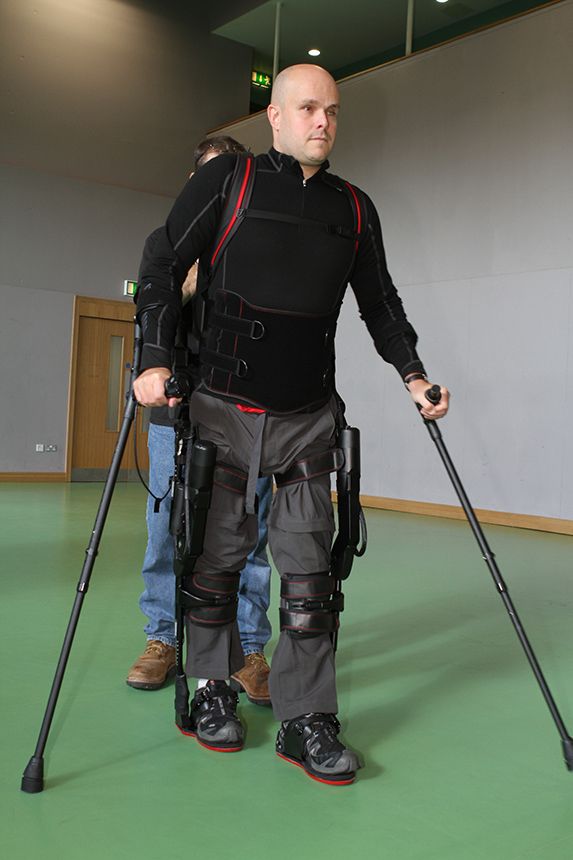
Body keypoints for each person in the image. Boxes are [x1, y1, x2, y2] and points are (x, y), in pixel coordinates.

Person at [133, 65, 450, 784]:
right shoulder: (229, 181)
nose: (322, 122)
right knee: (214, 562)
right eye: (307, 108)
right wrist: (153, 358)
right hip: (221, 409)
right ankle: (210, 688)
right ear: (273, 116)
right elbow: (161, 262)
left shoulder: (354, 208)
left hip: (307, 418)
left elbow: (380, 303)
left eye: (332, 111)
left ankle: (306, 718)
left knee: (310, 581)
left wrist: (413, 374)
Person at [127, 136, 273, 706]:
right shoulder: (166, 245)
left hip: (245, 411)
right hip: (176, 412)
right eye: (211, 178)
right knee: (165, 528)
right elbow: (149, 310)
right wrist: (185, 284)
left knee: (249, 530)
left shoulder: (255, 248)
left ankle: (250, 648)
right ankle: (163, 638)